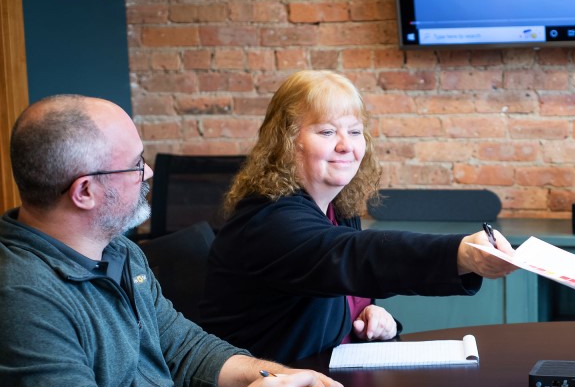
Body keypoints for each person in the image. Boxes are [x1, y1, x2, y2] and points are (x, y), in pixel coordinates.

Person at [0, 95, 345, 387]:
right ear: (84, 191)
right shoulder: (21, 291)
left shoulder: (119, 250)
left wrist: (274, 376)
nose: (147, 174)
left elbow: (183, 348)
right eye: (135, 165)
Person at [200, 70, 517, 363]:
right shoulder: (269, 219)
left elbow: (349, 283)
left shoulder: (339, 208)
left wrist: (375, 316)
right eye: (326, 132)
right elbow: (353, 255)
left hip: (329, 380)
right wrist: (461, 254)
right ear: (286, 141)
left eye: (354, 131)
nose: (345, 145)